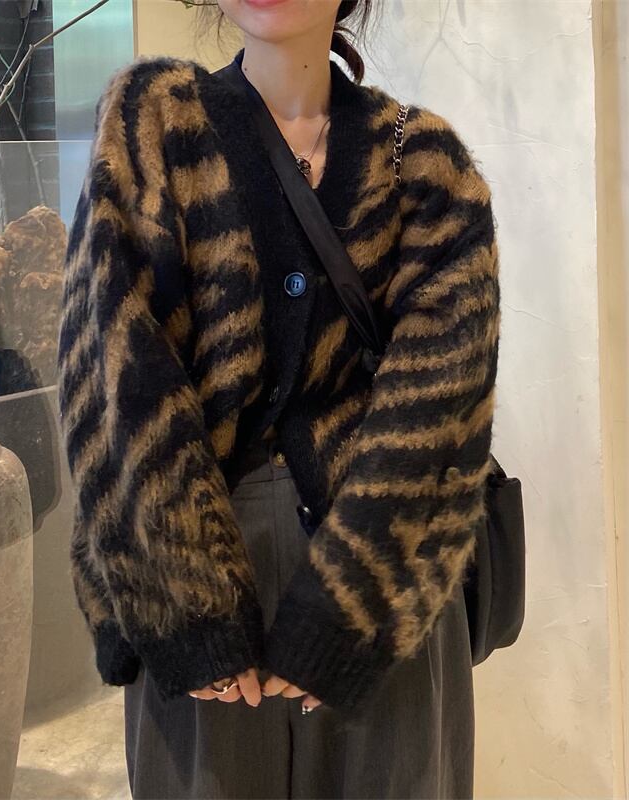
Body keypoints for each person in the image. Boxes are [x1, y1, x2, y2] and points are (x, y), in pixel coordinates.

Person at [56, 0, 501, 797]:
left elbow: (443, 408)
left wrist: (352, 610)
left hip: (381, 610)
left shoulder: (428, 168)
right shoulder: (151, 127)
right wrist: (183, 602)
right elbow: (110, 366)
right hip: (202, 607)